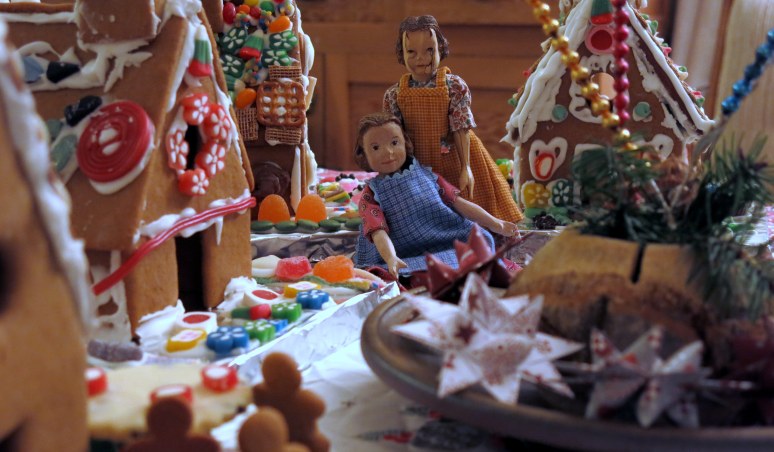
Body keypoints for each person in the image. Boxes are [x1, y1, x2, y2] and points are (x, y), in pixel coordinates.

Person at [383, 15, 524, 223]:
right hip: (417, 163)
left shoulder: (454, 86)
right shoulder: (394, 95)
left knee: (467, 203)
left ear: (440, 48)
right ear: (401, 53)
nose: (421, 58)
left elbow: (460, 126)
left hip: (454, 156)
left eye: (429, 50)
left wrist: (466, 167)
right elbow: (393, 138)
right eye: (411, 52)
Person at [352, 113, 519, 278]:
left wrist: (496, 223)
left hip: (450, 239)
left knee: (482, 243)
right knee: (407, 275)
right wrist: (390, 258)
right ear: (364, 154)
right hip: (404, 254)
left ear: (405, 142)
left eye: (394, 143)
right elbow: (378, 231)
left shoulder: (428, 176)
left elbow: (458, 202)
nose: (388, 152)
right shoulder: (371, 195)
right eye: (375, 148)